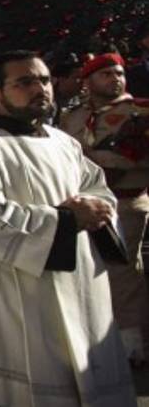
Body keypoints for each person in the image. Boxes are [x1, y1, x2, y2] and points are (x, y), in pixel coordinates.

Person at [0, 50, 135, 406]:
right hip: (13, 290)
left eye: (44, 80)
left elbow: (98, 189)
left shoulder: (64, 142)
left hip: (79, 281)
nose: (40, 89)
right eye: (25, 82)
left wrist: (98, 209)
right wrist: (64, 220)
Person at [59, 52, 149, 365]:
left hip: (125, 199)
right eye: (106, 74)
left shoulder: (140, 111)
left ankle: (131, 343)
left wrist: (97, 160)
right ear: (88, 81)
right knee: (85, 269)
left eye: (119, 73)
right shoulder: (72, 116)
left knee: (122, 271)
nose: (115, 79)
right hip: (80, 202)